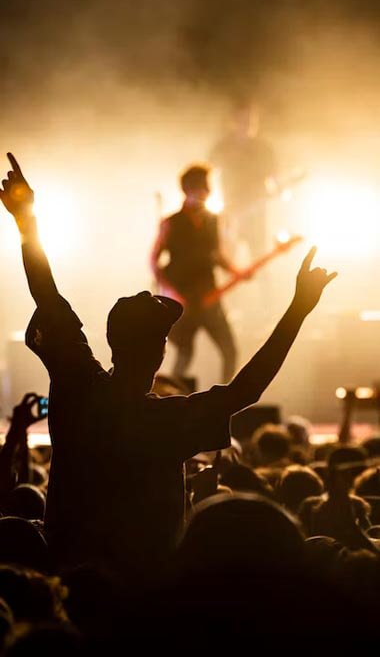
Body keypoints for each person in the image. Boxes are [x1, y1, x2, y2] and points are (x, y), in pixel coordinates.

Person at [0, 152, 336, 581]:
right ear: (160, 353)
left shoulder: (77, 384)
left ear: (112, 341)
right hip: (142, 592)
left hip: (66, 577)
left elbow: (47, 295)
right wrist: (297, 311)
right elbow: (245, 390)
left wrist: (27, 224)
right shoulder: (166, 422)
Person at [150, 164, 241, 384]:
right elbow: (154, 261)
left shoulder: (212, 220)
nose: (205, 192)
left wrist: (236, 272)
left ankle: (225, 400)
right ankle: (171, 400)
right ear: (188, 190)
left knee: (230, 351)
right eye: (201, 187)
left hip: (209, 297)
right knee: (184, 353)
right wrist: (171, 293)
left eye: (207, 188)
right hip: (182, 301)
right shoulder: (171, 223)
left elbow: (217, 255)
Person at [210, 101, 277, 257]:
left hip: (256, 209)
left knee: (258, 254)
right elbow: (209, 169)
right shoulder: (223, 147)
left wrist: (275, 189)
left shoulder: (263, 148)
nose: (247, 125)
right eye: (242, 120)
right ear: (233, 122)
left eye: (250, 121)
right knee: (227, 253)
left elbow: (274, 177)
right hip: (230, 207)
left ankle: (262, 280)